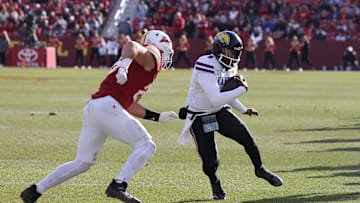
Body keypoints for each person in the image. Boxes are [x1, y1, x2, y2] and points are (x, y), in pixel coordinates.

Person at [20, 30, 178, 203]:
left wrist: (157, 116)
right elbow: (131, 45)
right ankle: (118, 185)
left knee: (82, 162)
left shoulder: (141, 66)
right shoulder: (152, 55)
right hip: (108, 107)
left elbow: (130, 105)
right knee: (147, 146)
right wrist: (124, 65)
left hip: (95, 107)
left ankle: (34, 191)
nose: (167, 54)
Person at [178, 30, 283, 201]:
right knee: (211, 162)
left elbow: (225, 93)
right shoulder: (205, 64)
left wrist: (242, 109)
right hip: (200, 115)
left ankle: (260, 169)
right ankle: (214, 181)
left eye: (236, 52)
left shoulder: (230, 65)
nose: (233, 56)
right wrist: (242, 89)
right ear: (219, 49)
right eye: (230, 52)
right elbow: (216, 98)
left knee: (247, 138)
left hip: (219, 111)